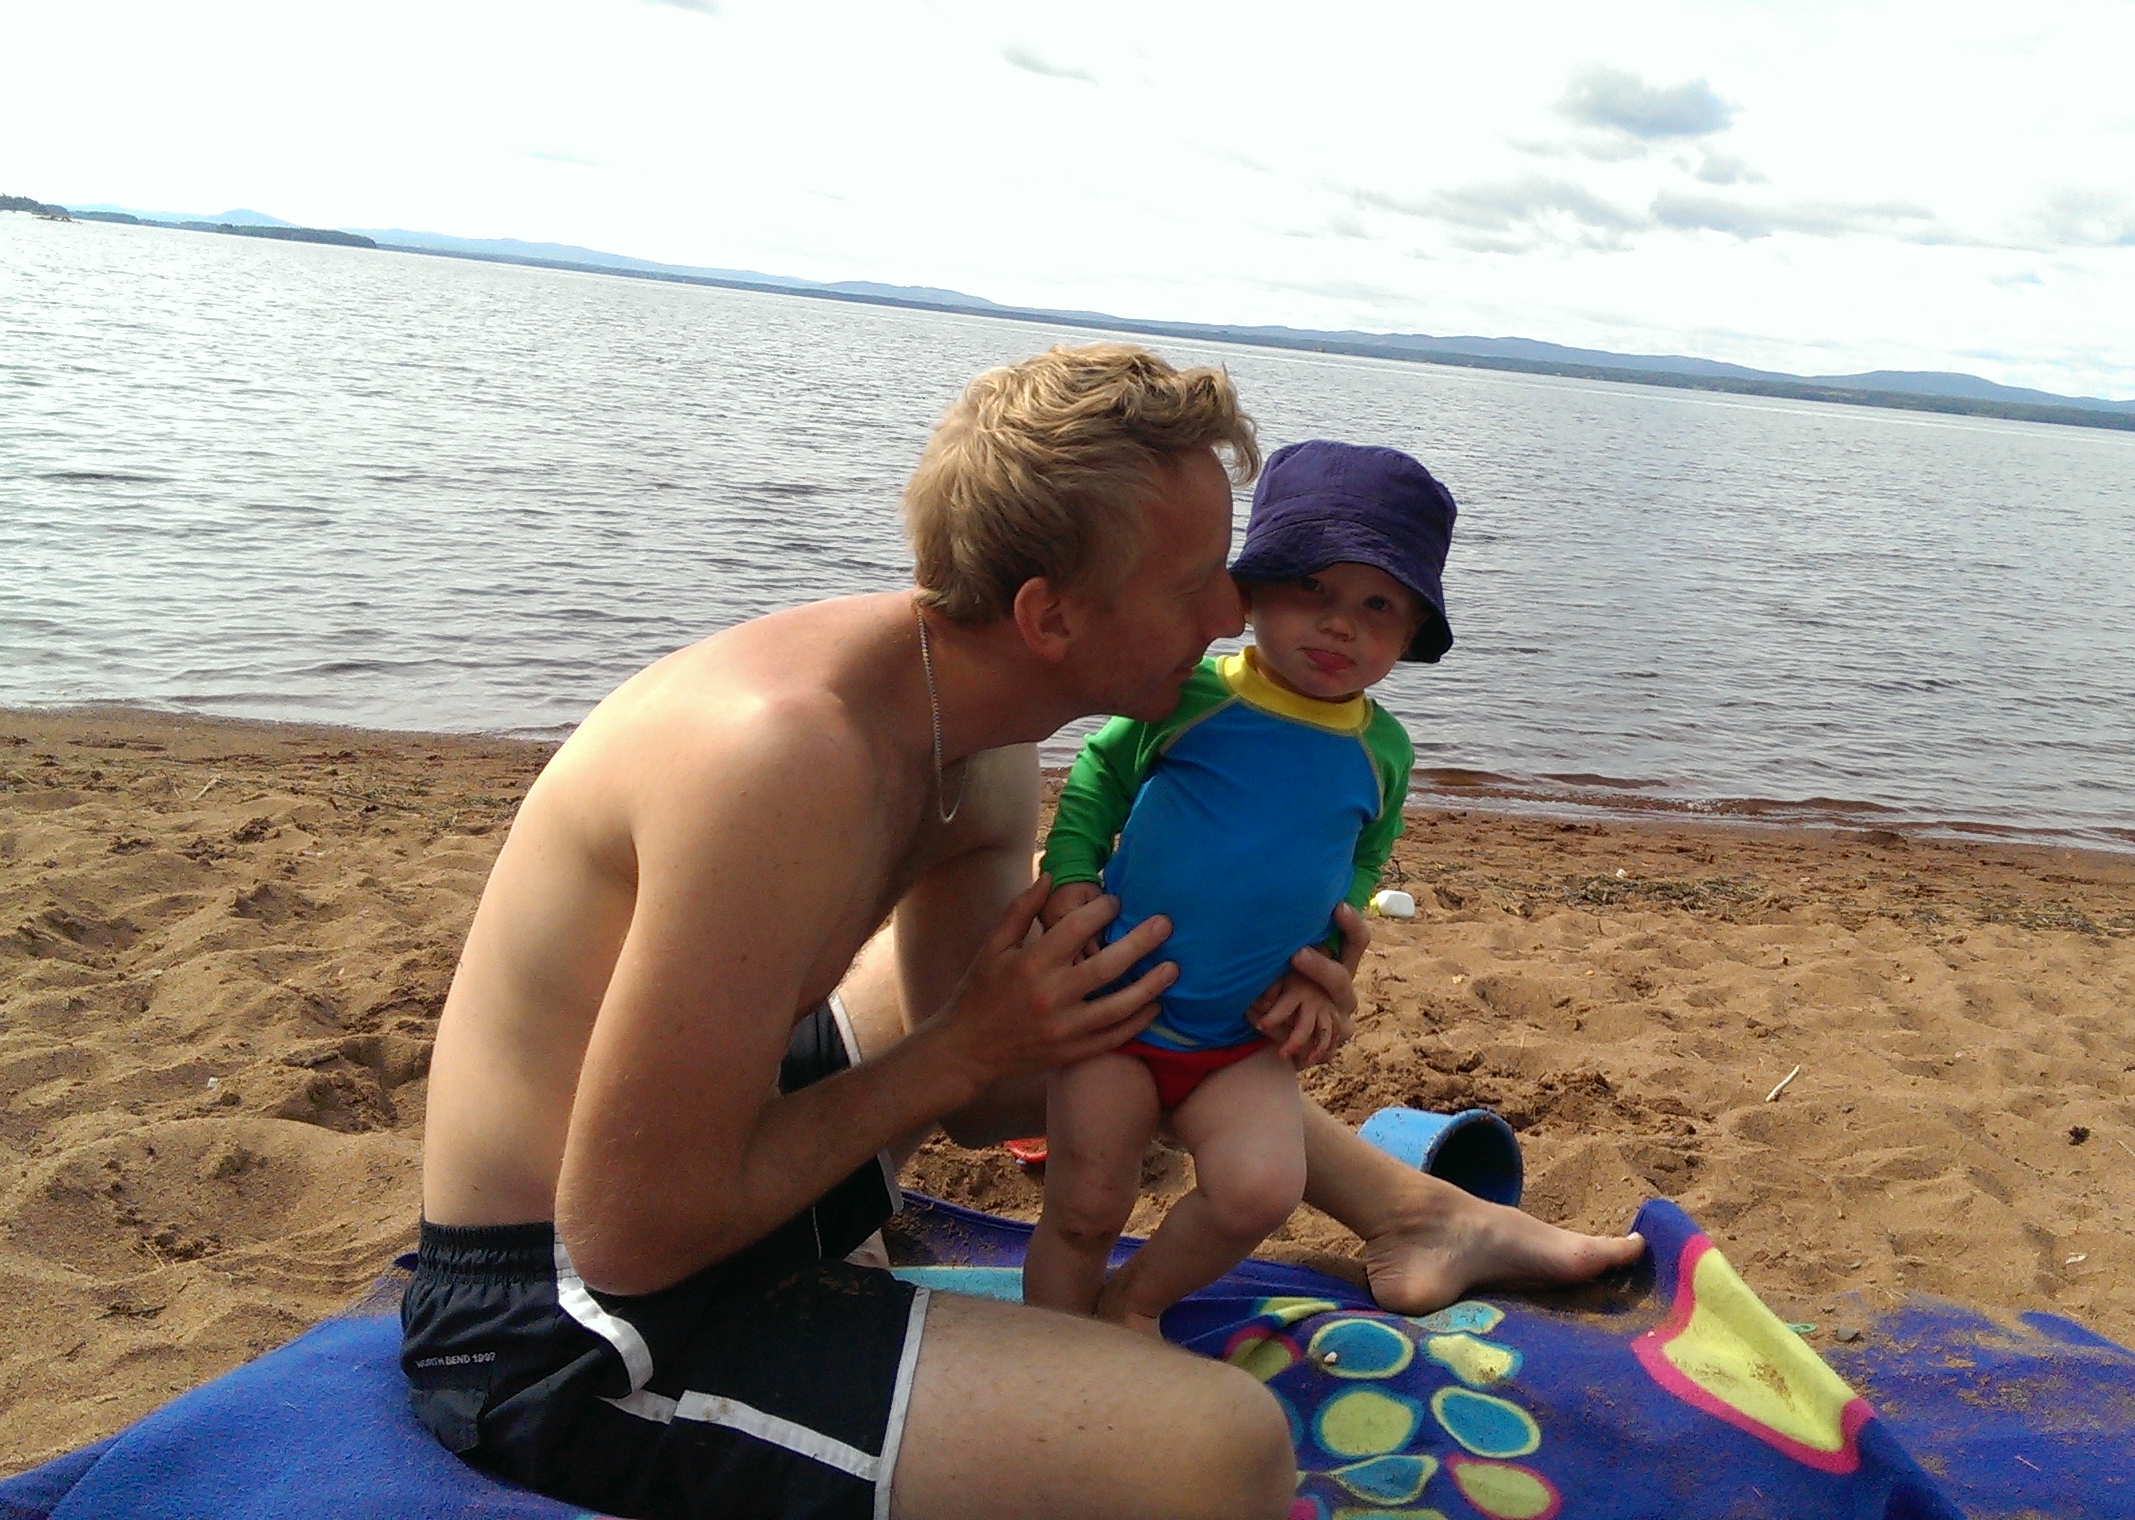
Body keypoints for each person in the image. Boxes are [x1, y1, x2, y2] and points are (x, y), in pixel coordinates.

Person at [400, 343, 1643, 1520]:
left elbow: (992, 1099)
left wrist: (1243, 984)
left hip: (721, 1168)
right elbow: (632, 1232)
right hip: (566, 1311)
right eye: (1193, 580)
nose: (1233, 608)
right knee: (1224, 1446)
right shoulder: (781, 759)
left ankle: (1411, 1208)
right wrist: (957, 1047)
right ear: (1051, 615)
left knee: (1061, 976)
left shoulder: (974, 726)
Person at [1026, 441, 1454, 1331]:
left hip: (1243, 1035)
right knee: (1087, 1204)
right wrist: (1068, 871)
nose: (1339, 625)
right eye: (1311, 588)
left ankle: (1135, 1307)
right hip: (1117, 1009)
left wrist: (1323, 963)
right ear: (1250, 593)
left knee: (1261, 1189)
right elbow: (1098, 777)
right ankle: (1054, 1343)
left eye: (1377, 605)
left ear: (1411, 630)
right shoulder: (1195, 696)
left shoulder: (1382, 750)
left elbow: (1364, 858)